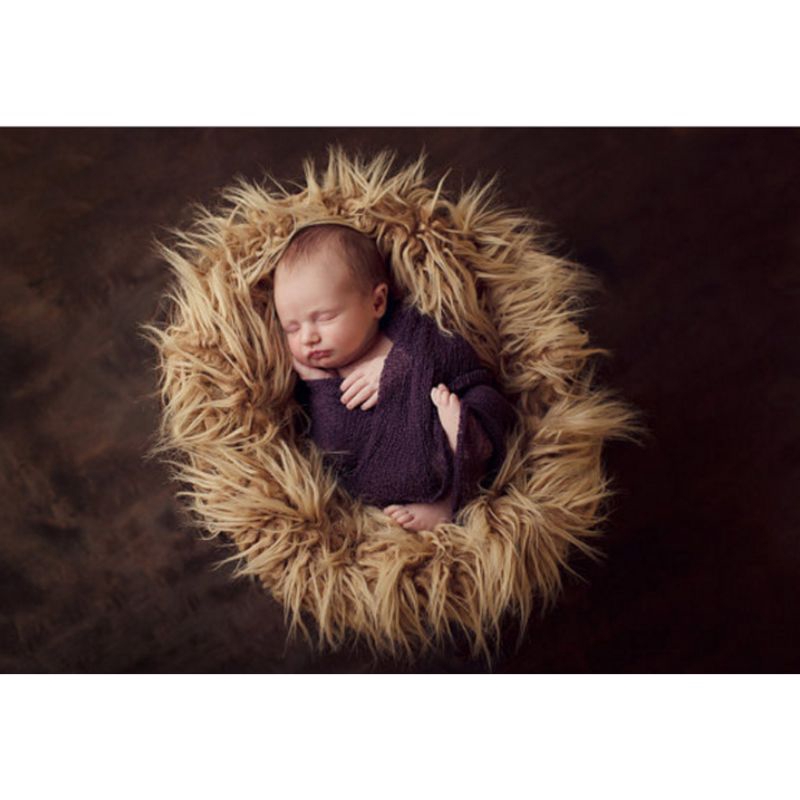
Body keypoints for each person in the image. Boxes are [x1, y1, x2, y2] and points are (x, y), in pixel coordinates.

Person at [272, 222, 517, 532]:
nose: (307, 337)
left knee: (484, 400)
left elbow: (456, 355)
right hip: (395, 466)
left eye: (324, 318)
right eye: (291, 328)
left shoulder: (407, 328)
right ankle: (444, 504)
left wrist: (397, 366)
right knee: (368, 482)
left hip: (451, 417)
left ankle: (465, 449)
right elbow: (336, 447)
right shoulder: (324, 381)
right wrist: (320, 388)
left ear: (377, 302)